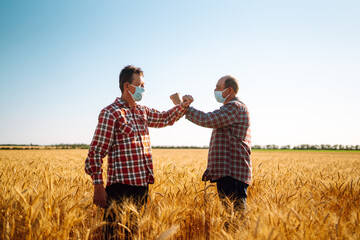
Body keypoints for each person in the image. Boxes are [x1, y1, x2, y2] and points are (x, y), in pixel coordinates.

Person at [85, 65, 193, 239]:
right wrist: (98, 186)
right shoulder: (111, 113)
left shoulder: (142, 111)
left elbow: (165, 118)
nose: (144, 89)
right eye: (141, 85)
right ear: (127, 86)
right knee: (113, 235)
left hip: (142, 187)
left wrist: (184, 106)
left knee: (133, 234)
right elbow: (96, 152)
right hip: (120, 188)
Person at [171, 75, 252, 213]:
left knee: (236, 221)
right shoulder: (230, 109)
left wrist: (182, 106)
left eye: (218, 88)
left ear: (229, 90)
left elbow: (208, 119)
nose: (215, 90)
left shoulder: (234, 107)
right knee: (231, 219)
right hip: (229, 174)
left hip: (232, 174)